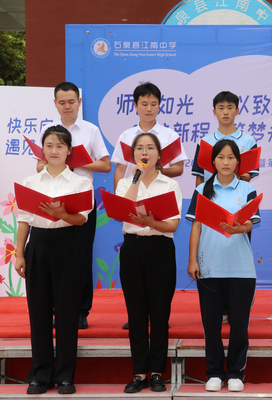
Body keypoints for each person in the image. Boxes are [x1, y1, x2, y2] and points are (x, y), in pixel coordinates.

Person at [15, 125, 94, 395]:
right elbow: (24, 220)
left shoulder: (80, 183)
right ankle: (41, 375)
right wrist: (19, 253)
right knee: (38, 311)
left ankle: (65, 375)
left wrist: (61, 215)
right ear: (43, 149)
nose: (54, 150)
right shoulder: (30, 182)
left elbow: (81, 219)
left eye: (60, 146)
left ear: (69, 150)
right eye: (49, 145)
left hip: (67, 245)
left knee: (67, 313)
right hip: (37, 246)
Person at [111, 81, 188, 330]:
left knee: (160, 285)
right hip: (133, 194)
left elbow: (179, 168)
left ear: (159, 105)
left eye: (153, 104)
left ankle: (158, 318)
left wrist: (154, 169)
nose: (148, 108)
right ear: (135, 105)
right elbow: (119, 170)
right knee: (134, 280)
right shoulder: (126, 135)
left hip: (157, 192)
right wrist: (121, 200)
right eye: (144, 104)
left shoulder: (169, 135)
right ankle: (137, 317)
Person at [186, 139, 260, 393]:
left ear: (238, 162)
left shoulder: (247, 188)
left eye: (231, 157)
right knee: (211, 324)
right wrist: (193, 260)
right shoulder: (202, 190)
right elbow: (196, 227)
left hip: (241, 268)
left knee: (239, 324)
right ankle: (215, 372)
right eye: (221, 157)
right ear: (213, 162)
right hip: (209, 266)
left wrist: (240, 228)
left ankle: (236, 372)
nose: (226, 162)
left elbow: (250, 223)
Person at [36, 82, 111, 329]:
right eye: (62, 102)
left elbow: (105, 165)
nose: (67, 106)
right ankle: (56, 310)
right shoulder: (48, 131)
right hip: (52, 198)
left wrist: (75, 162)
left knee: (81, 256)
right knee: (55, 258)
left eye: (71, 101)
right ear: (55, 104)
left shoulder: (90, 130)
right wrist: (55, 162)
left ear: (79, 102)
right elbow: (39, 165)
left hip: (80, 201)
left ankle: (80, 311)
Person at [115, 132, 182, 393]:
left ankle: (156, 372)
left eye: (150, 148)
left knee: (160, 312)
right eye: (140, 148)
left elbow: (173, 224)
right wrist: (136, 178)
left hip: (160, 248)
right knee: (136, 313)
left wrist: (152, 223)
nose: (145, 152)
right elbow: (123, 211)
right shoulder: (125, 182)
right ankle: (139, 372)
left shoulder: (170, 185)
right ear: (133, 155)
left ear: (159, 155)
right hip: (132, 249)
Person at [191, 91, 259, 187]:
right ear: (214, 112)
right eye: (221, 108)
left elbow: (248, 176)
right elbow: (200, 176)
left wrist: (236, 175)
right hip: (210, 193)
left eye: (230, 108)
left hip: (238, 194)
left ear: (237, 111)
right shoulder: (204, 142)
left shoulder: (249, 141)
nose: (225, 112)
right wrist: (199, 195)